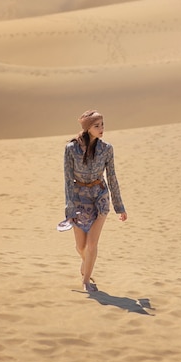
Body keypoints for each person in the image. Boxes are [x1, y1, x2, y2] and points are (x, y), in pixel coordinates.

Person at [64, 109, 127, 292]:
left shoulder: (107, 149)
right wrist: (69, 207)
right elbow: (68, 180)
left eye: (102, 125)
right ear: (87, 128)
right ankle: (86, 263)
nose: (101, 129)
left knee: (92, 243)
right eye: (97, 126)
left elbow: (112, 177)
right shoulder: (71, 149)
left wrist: (119, 207)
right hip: (78, 199)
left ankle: (86, 281)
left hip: (99, 198)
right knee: (81, 246)